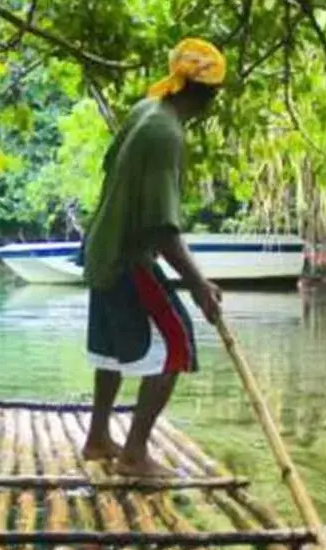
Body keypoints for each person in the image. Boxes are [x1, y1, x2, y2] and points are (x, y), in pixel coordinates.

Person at [79, 37, 226, 478]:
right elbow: (161, 230)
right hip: (126, 256)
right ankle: (134, 455)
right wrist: (199, 284)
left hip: (100, 247)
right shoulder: (166, 134)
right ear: (206, 96)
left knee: (110, 349)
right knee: (176, 346)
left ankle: (98, 438)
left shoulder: (148, 108)